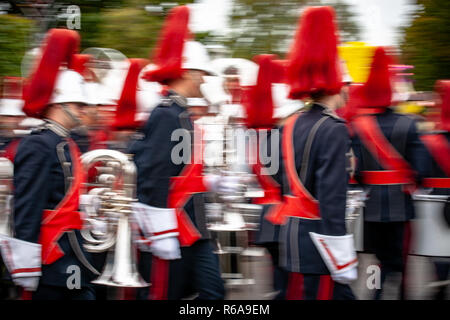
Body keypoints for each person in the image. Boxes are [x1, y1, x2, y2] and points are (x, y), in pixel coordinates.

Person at [130, 5, 225, 300]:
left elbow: (180, 171)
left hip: (193, 226)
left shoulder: (181, 114)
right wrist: (160, 232)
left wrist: (207, 182)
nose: (203, 80)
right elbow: (154, 174)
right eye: (200, 74)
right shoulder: (167, 114)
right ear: (186, 72)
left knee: (214, 294)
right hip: (172, 226)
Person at [265, 6, 358, 300]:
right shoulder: (334, 128)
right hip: (321, 241)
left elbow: (278, 175)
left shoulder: (291, 123)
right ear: (339, 84)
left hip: (292, 234)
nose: (349, 92)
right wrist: (339, 252)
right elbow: (331, 197)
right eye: (348, 85)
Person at [8, 29, 98, 300]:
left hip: (70, 253)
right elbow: (28, 205)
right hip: (51, 257)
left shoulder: (64, 141)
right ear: (59, 102)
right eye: (78, 104)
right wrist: (26, 263)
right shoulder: (40, 143)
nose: (84, 110)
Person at [349, 47, 430, 299]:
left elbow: (357, 172)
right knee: (400, 258)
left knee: (375, 258)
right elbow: (421, 171)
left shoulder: (358, 127)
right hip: (400, 204)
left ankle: (375, 294)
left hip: (371, 204)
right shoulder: (409, 124)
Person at [420, 80, 450, 300]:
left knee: (439, 248)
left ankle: (440, 280)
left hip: (437, 200)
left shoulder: (430, 141)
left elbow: (421, 174)